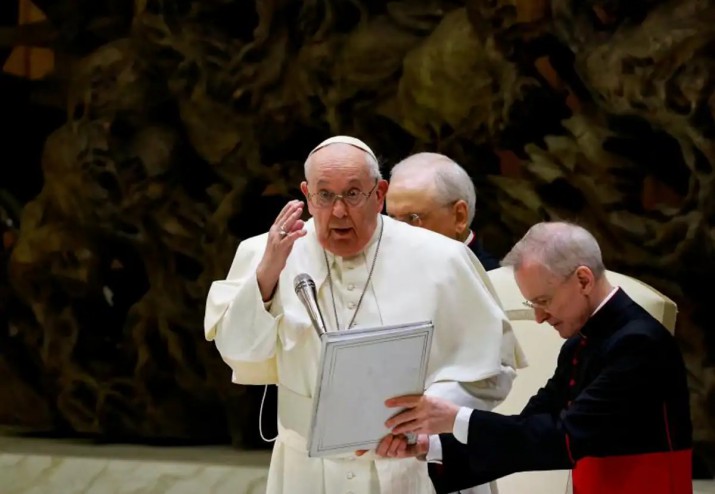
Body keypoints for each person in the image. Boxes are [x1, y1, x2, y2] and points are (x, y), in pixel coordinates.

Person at [204, 136, 523, 494]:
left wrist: (428, 417)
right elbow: (240, 354)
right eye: (325, 195)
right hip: (307, 469)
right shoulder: (267, 252)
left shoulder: (443, 259)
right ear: (307, 194)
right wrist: (265, 278)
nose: (339, 211)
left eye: (353, 194)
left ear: (380, 193)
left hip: (414, 465)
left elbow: (492, 367)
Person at [373, 221, 693, 494]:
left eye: (543, 300)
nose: (539, 318)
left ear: (583, 279)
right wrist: (432, 447)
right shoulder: (580, 342)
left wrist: (455, 417)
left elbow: (566, 439)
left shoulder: (638, 343)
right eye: (532, 305)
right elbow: (528, 430)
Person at [385, 152, 500, 270]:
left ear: (459, 216)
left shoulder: (492, 282)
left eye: (412, 218)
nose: (397, 235)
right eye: (392, 219)